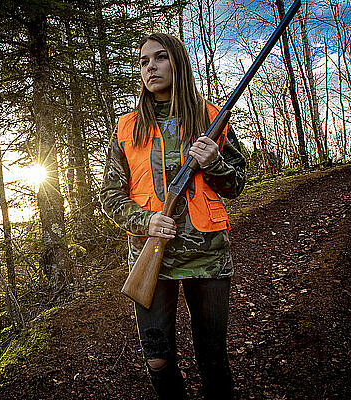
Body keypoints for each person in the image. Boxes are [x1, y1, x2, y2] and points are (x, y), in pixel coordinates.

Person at [100, 33, 246, 400]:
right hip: (152, 257)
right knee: (158, 361)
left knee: (212, 359)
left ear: (178, 63)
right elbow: (109, 197)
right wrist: (145, 221)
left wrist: (214, 163)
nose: (151, 67)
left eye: (160, 58)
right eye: (144, 62)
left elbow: (235, 185)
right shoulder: (127, 127)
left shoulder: (211, 117)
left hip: (207, 254)